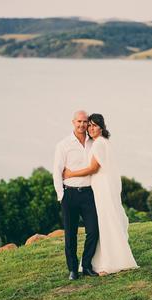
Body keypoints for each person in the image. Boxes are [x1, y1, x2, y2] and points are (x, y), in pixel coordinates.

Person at [63, 113, 139, 275]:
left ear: (101, 127)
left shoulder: (98, 144)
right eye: (89, 125)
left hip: (101, 187)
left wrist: (71, 174)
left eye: (94, 125)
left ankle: (109, 261)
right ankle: (106, 259)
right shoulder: (102, 142)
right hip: (99, 186)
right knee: (104, 223)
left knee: (104, 223)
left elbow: (93, 168)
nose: (90, 128)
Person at [53, 110, 100, 280]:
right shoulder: (63, 145)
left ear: (88, 123)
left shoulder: (93, 142)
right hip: (70, 195)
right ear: (73, 122)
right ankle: (73, 269)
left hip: (88, 194)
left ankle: (86, 265)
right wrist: (61, 196)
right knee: (70, 235)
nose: (82, 125)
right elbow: (57, 172)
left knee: (94, 231)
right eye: (79, 121)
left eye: (85, 122)